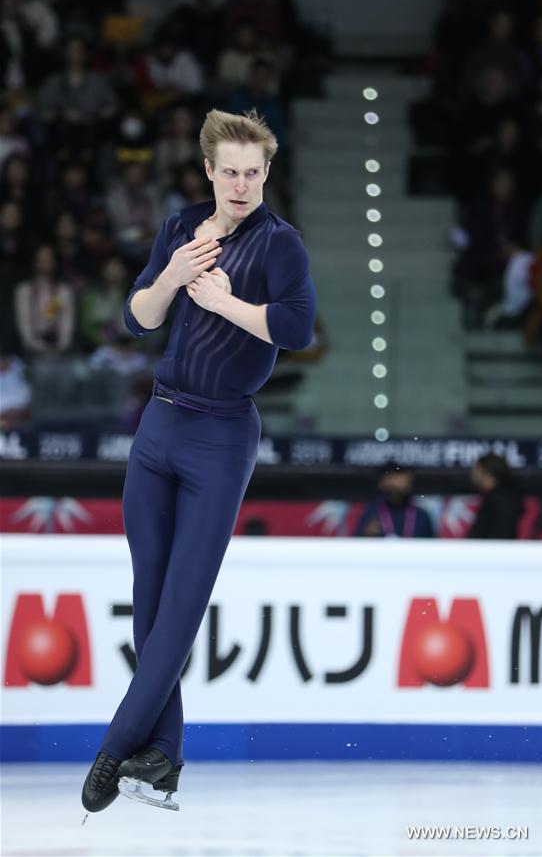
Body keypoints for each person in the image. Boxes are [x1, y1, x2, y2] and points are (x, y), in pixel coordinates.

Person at [81, 108, 316, 815]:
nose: (241, 184)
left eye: (253, 172)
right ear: (208, 170)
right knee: (149, 601)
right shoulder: (181, 227)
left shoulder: (281, 244)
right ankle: (164, 758)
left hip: (221, 437)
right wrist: (175, 273)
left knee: (182, 603)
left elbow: (298, 328)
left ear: (266, 173)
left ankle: (117, 745)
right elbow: (139, 317)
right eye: (230, 171)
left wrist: (223, 300)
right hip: (157, 427)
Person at [353, 463, 435, 539]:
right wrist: (365, 535)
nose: (397, 482)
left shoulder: (421, 515)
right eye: (393, 476)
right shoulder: (371, 512)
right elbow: (354, 544)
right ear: (381, 482)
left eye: (403, 477)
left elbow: (435, 547)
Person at [468, 453, 524, 539]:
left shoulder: (500, 501)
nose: (474, 476)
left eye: (477, 472)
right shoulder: (504, 497)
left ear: (489, 475)